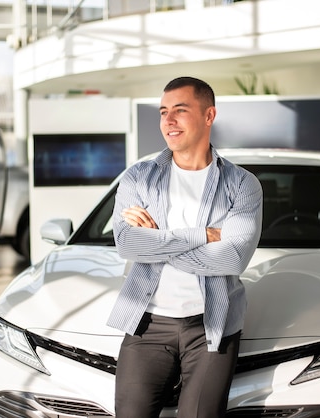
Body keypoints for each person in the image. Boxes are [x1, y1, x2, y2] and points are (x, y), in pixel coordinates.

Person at [107, 76, 263, 418]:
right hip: (147, 321)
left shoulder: (242, 184)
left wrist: (158, 237)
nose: (168, 120)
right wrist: (203, 235)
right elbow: (127, 243)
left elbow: (233, 258)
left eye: (180, 110)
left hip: (212, 324)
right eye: (164, 112)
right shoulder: (137, 177)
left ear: (209, 116)